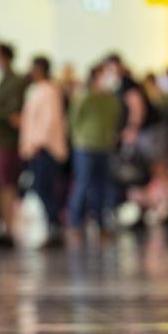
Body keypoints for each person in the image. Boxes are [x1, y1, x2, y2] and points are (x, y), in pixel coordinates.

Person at [19, 56, 68, 238]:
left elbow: (49, 120)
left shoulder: (48, 91)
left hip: (44, 148)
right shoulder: (37, 90)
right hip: (38, 148)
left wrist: (38, 143)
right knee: (42, 187)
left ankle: (54, 224)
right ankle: (53, 223)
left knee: (43, 187)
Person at [0, 42, 27, 243]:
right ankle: (4, 227)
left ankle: (9, 229)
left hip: (6, 141)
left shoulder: (15, 81)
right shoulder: (1, 80)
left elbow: (14, 114)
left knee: (6, 186)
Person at [68, 65, 121, 230]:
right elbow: (74, 119)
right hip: (85, 146)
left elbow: (116, 119)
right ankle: (75, 222)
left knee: (102, 185)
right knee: (82, 183)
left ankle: (99, 221)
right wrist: (78, 139)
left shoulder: (112, 99)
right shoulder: (85, 97)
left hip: (104, 147)